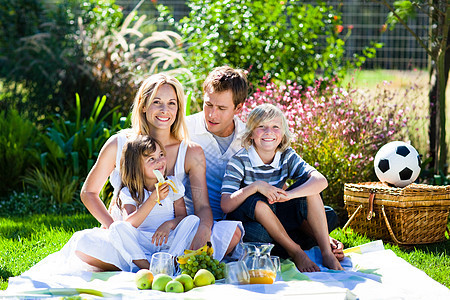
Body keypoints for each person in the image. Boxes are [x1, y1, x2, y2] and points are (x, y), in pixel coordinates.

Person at [185, 66, 343, 261]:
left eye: (222, 108)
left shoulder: (250, 136)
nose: (212, 114)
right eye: (208, 105)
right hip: (225, 217)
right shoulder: (185, 130)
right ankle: (295, 242)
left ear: (239, 108)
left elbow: (277, 178)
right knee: (258, 231)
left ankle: (309, 239)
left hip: (261, 212)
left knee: (328, 215)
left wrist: (320, 233)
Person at [80, 73, 240, 261]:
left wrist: (203, 232)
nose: (165, 110)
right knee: (83, 244)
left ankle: (164, 261)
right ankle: (153, 263)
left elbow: (203, 206)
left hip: (171, 236)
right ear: (144, 104)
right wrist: (114, 229)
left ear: (179, 108)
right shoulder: (119, 143)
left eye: (172, 103)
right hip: (130, 232)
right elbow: (88, 193)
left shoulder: (190, 152)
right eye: (157, 102)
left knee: (233, 233)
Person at [221, 104, 343, 272]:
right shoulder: (240, 161)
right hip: (254, 223)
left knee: (326, 212)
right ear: (250, 133)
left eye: (275, 127)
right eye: (261, 126)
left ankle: (326, 251)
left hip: (279, 217)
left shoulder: (286, 155)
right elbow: (226, 204)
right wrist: (256, 187)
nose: (268, 132)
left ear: (283, 133)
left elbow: (320, 181)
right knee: (258, 211)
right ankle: (295, 251)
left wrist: (290, 195)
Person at [75, 135, 200, 271]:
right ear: (137, 167)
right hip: (139, 243)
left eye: (161, 155)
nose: (160, 161)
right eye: (151, 159)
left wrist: (168, 224)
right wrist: (152, 199)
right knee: (116, 227)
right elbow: (129, 223)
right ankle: (146, 266)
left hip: (167, 241)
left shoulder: (173, 184)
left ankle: (170, 261)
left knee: (193, 220)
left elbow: (182, 217)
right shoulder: (130, 192)